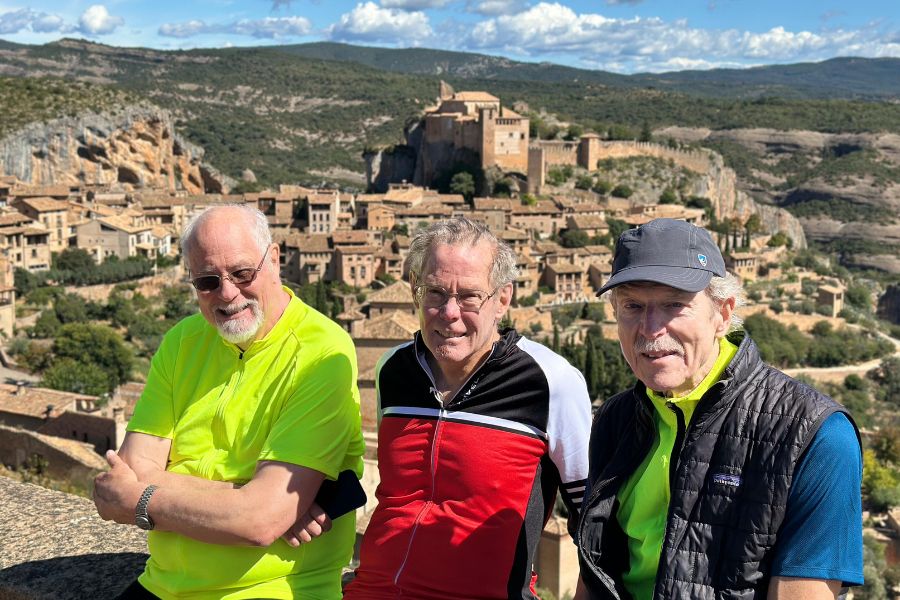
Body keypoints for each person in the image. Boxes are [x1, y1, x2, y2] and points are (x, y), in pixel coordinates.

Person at [575, 218, 863, 600]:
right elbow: (594, 575)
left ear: (723, 315)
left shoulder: (816, 436)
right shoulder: (617, 419)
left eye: (674, 305)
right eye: (632, 306)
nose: (650, 328)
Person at [93, 204, 365, 599]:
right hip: (161, 585)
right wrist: (249, 500)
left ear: (274, 259)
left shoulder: (322, 353)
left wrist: (142, 500)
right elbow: (129, 472)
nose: (227, 293)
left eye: (242, 273)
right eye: (207, 281)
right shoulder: (181, 342)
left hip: (272, 591)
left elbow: (258, 523)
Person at [343, 217, 592, 600]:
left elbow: (593, 524)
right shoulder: (391, 370)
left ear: (502, 299)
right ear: (415, 290)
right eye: (435, 292)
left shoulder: (550, 381)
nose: (449, 312)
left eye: (470, 296)